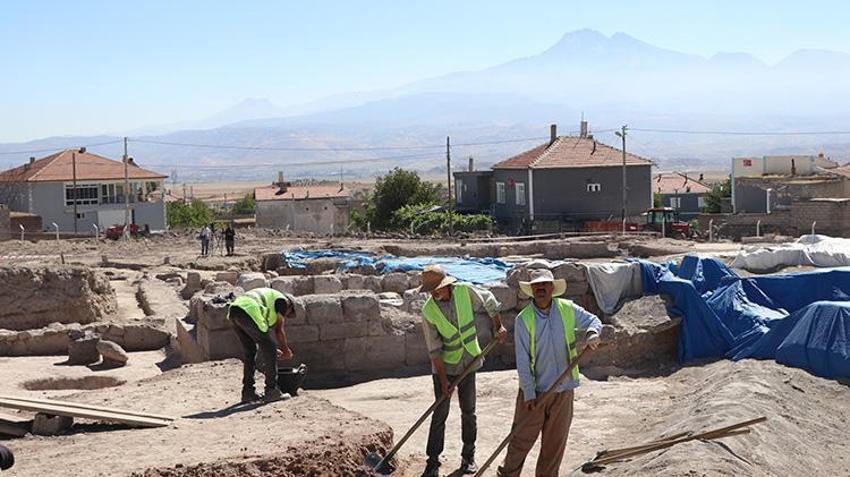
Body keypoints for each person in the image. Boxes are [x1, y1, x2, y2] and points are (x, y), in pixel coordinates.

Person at [497, 269, 602, 477]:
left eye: (545, 284)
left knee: (554, 445)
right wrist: (528, 393)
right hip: (535, 393)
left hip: (563, 391)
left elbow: (594, 321)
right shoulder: (524, 319)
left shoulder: (567, 309)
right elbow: (523, 361)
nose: (541, 288)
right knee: (520, 441)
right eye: (537, 286)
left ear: (552, 288)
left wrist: (592, 333)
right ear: (532, 290)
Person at [418, 265, 508, 477]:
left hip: (469, 360)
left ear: (447, 285)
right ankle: (432, 461)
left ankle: (468, 457)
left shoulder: (464, 291)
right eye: (431, 290)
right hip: (445, 366)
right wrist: (443, 381)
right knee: (440, 413)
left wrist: (498, 326)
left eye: (437, 288)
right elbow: (434, 350)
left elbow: (490, 301)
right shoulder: (428, 311)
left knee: (469, 412)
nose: (434, 293)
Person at [227, 287, 295, 403]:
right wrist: (285, 351)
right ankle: (271, 391)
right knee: (270, 349)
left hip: (234, 311)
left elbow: (261, 334)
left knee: (250, 351)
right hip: (249, 311)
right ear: (290, 306)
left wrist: (270, 348)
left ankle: (248, 392)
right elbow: (279, 331)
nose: (286, 316)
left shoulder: (269, 299)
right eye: (289, 314)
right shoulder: (282, 301)